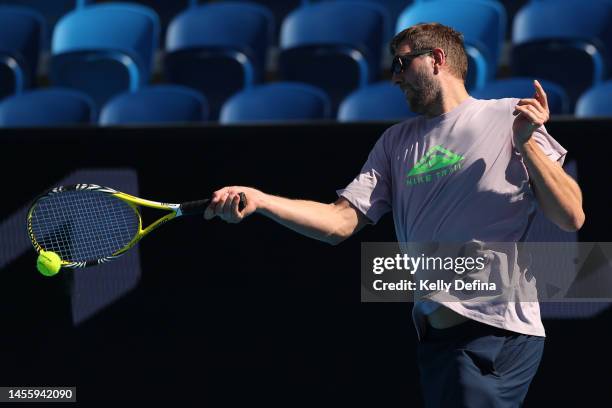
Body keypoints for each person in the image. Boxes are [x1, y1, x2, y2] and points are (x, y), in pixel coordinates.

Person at [204, 23, 584, 407]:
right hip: (437, 341)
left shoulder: (509, 116)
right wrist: (262, 200)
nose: (395, 78)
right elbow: (339, 222)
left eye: (401, 64)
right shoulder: (394, 142)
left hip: (497, 334)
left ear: (436, 60)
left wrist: (526, 146)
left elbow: (571, 215)